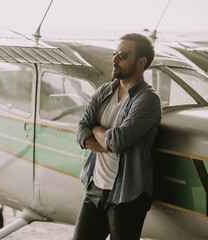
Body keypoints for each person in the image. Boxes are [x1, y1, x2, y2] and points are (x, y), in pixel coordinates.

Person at [74, 33, 162, 240]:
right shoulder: (104, 91)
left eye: (122, 55)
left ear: (141, 62)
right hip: (95, 188)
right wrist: (105, 138)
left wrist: (96, 129)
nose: (114, 59)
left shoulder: (147, 99)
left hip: (128, 196)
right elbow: (80, 130)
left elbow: (117, 141)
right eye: (114, 53)